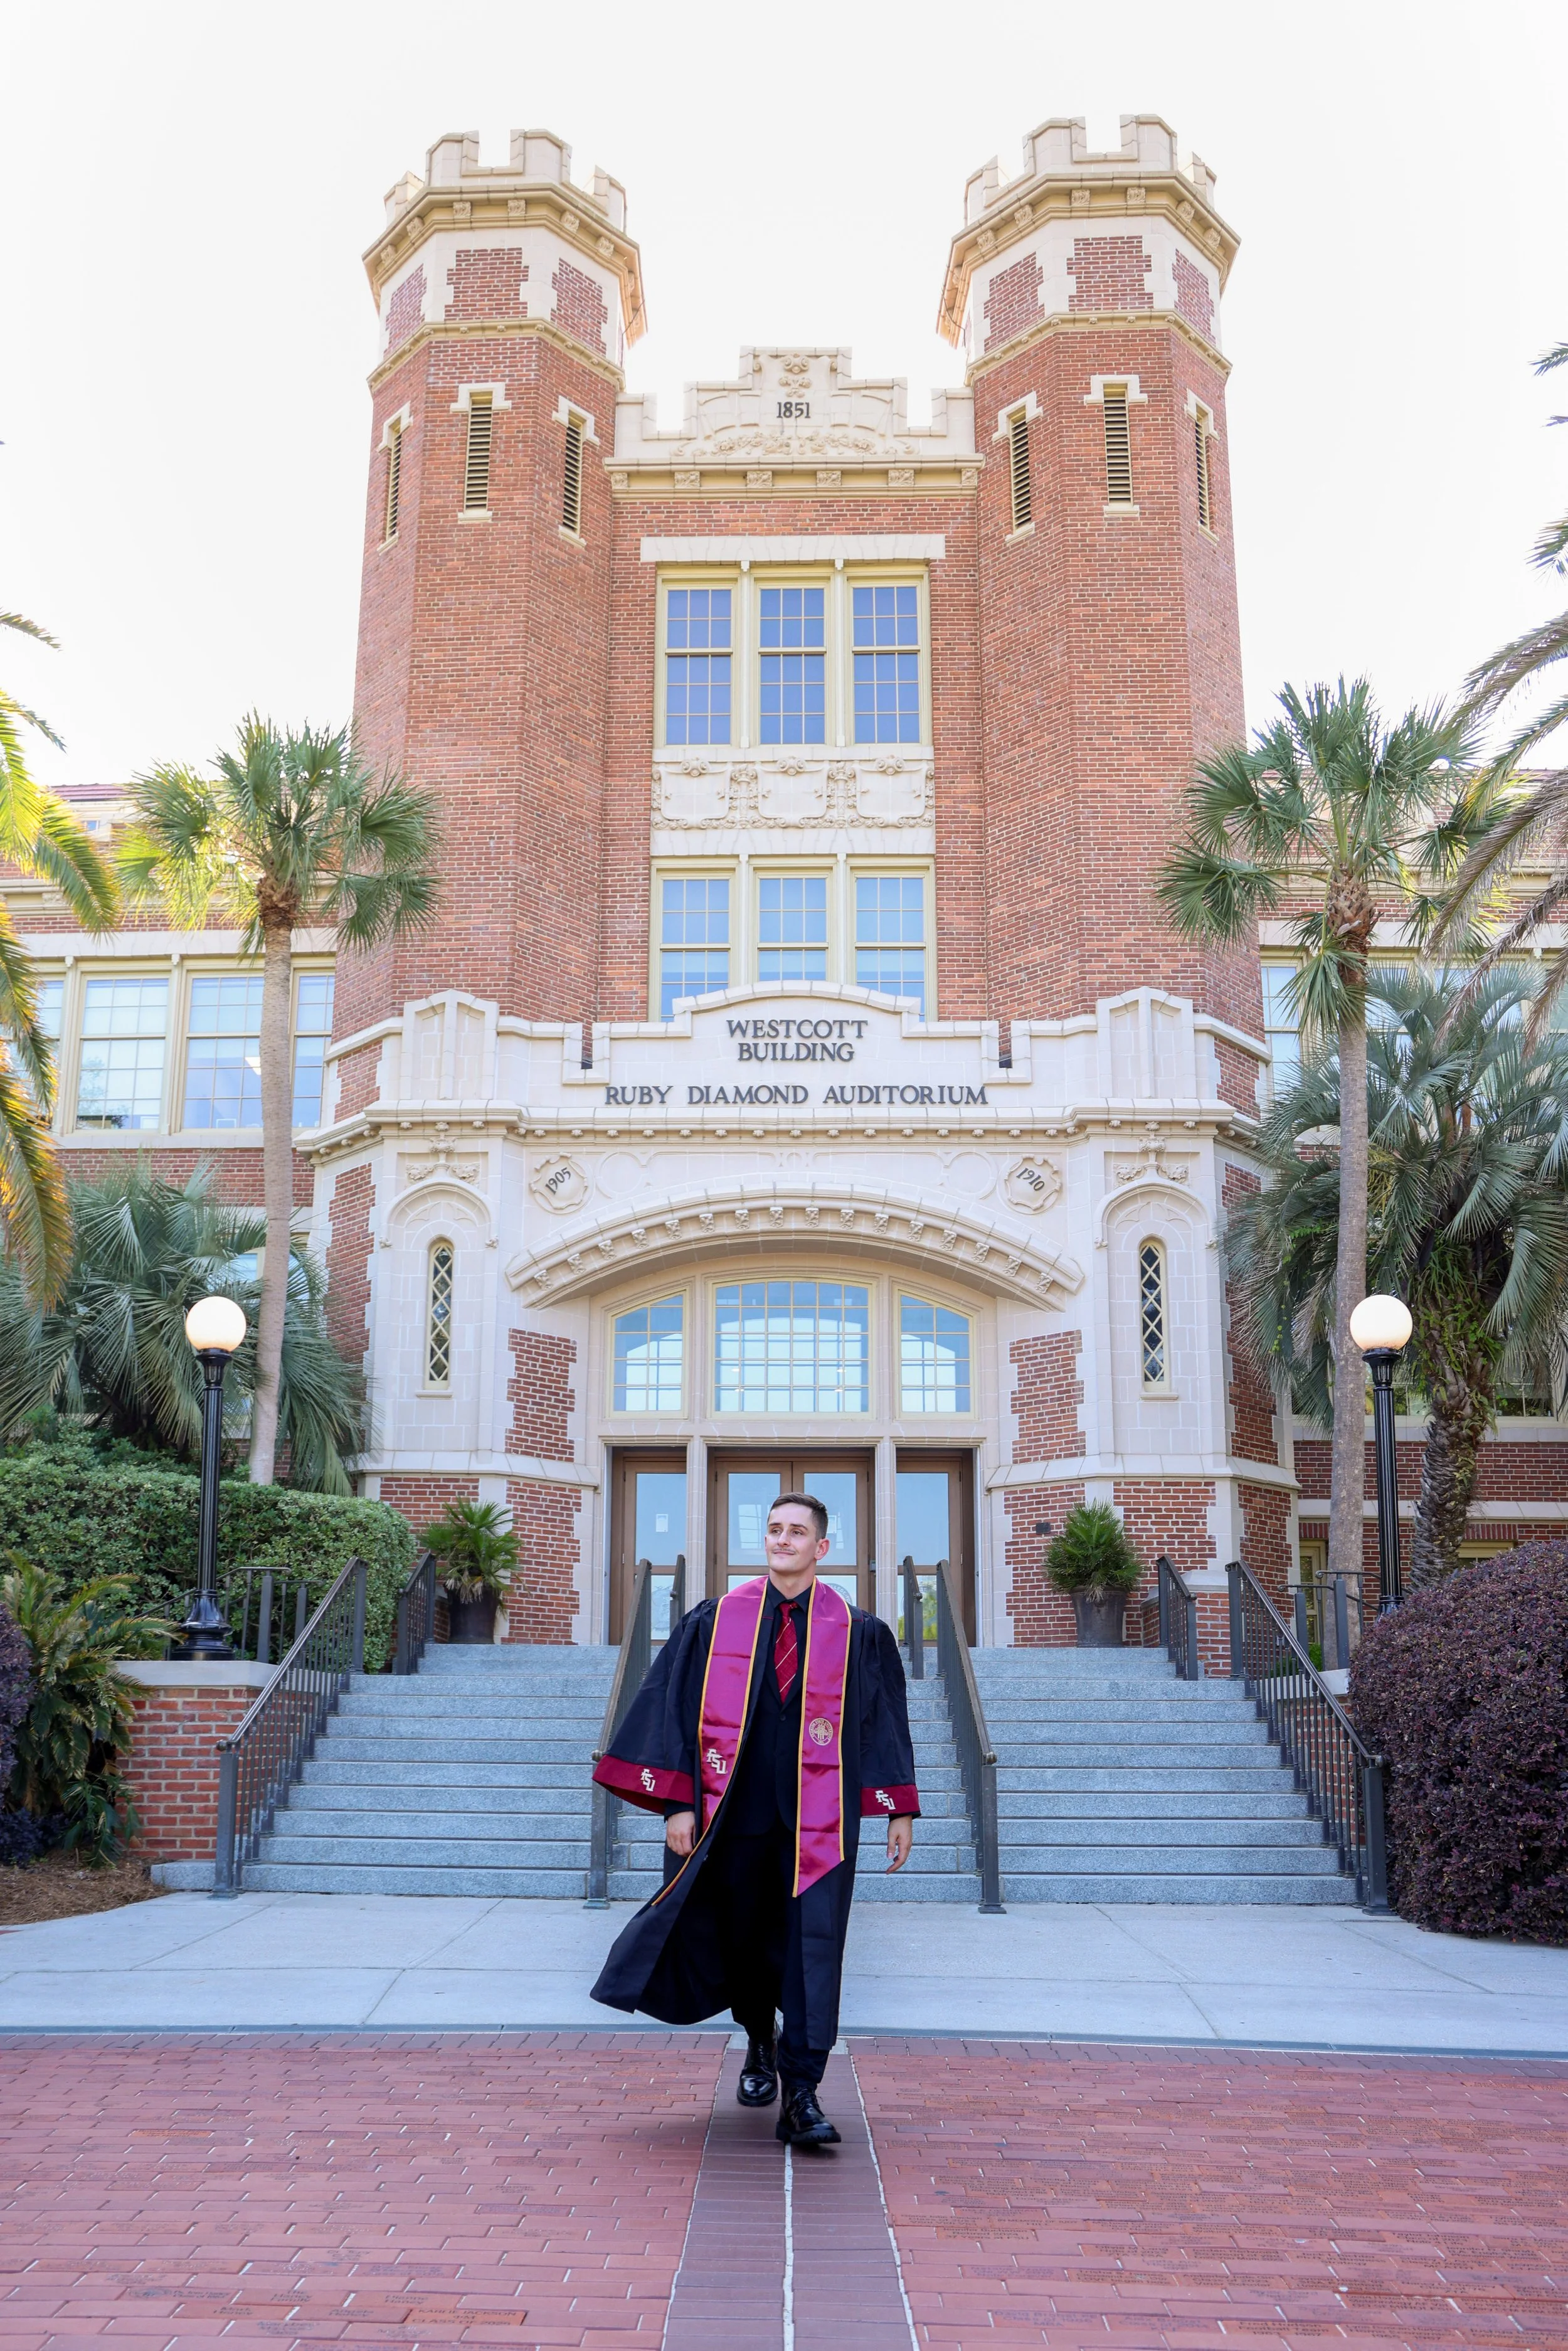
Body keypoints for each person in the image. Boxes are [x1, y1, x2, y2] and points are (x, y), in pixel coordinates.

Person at [590, 1491, 919, 2147]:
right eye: (774, 1529)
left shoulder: (859, 1632)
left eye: (797, 1531)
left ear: (822, 1548)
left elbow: (883, 1724)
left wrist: (895, 1807)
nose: (783, 1539)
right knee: (740, 1939)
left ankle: (801, 2092)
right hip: (729, 1817)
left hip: (817, 1825)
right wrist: (678, 1803)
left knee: (812, 1947)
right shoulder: (714, 1622)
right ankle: (758, 2039)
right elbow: (673, 1712)